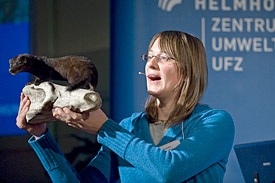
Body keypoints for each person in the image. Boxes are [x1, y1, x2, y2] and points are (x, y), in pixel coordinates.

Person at [16, 31, 235, 183]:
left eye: (164, 57)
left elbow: (170, 170)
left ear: (188, 71)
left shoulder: (215, 122)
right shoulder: (130, 126)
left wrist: (105, 129)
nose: (151, 63)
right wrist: (40, 136)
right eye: (149, 56)